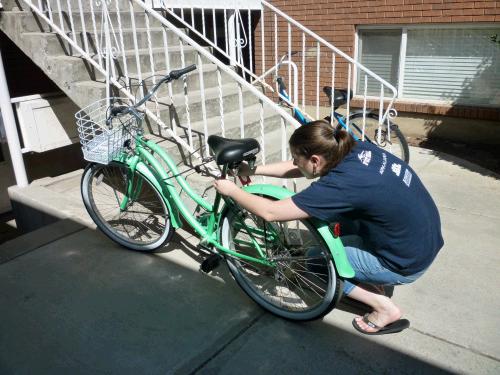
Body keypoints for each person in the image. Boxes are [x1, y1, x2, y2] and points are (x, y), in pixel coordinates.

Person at [213, 120, 443, 335]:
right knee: (336, 229)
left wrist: (232, 191)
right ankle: (370, 277)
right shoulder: (354, 149)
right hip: (421, 243)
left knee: (315, 259)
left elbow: (271, 212)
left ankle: (384, 308)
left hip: (403, 263)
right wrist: (253, 170)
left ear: (315, 160)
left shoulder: (342, 185)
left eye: (296, 157)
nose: (294, 162)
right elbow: (300, 169)